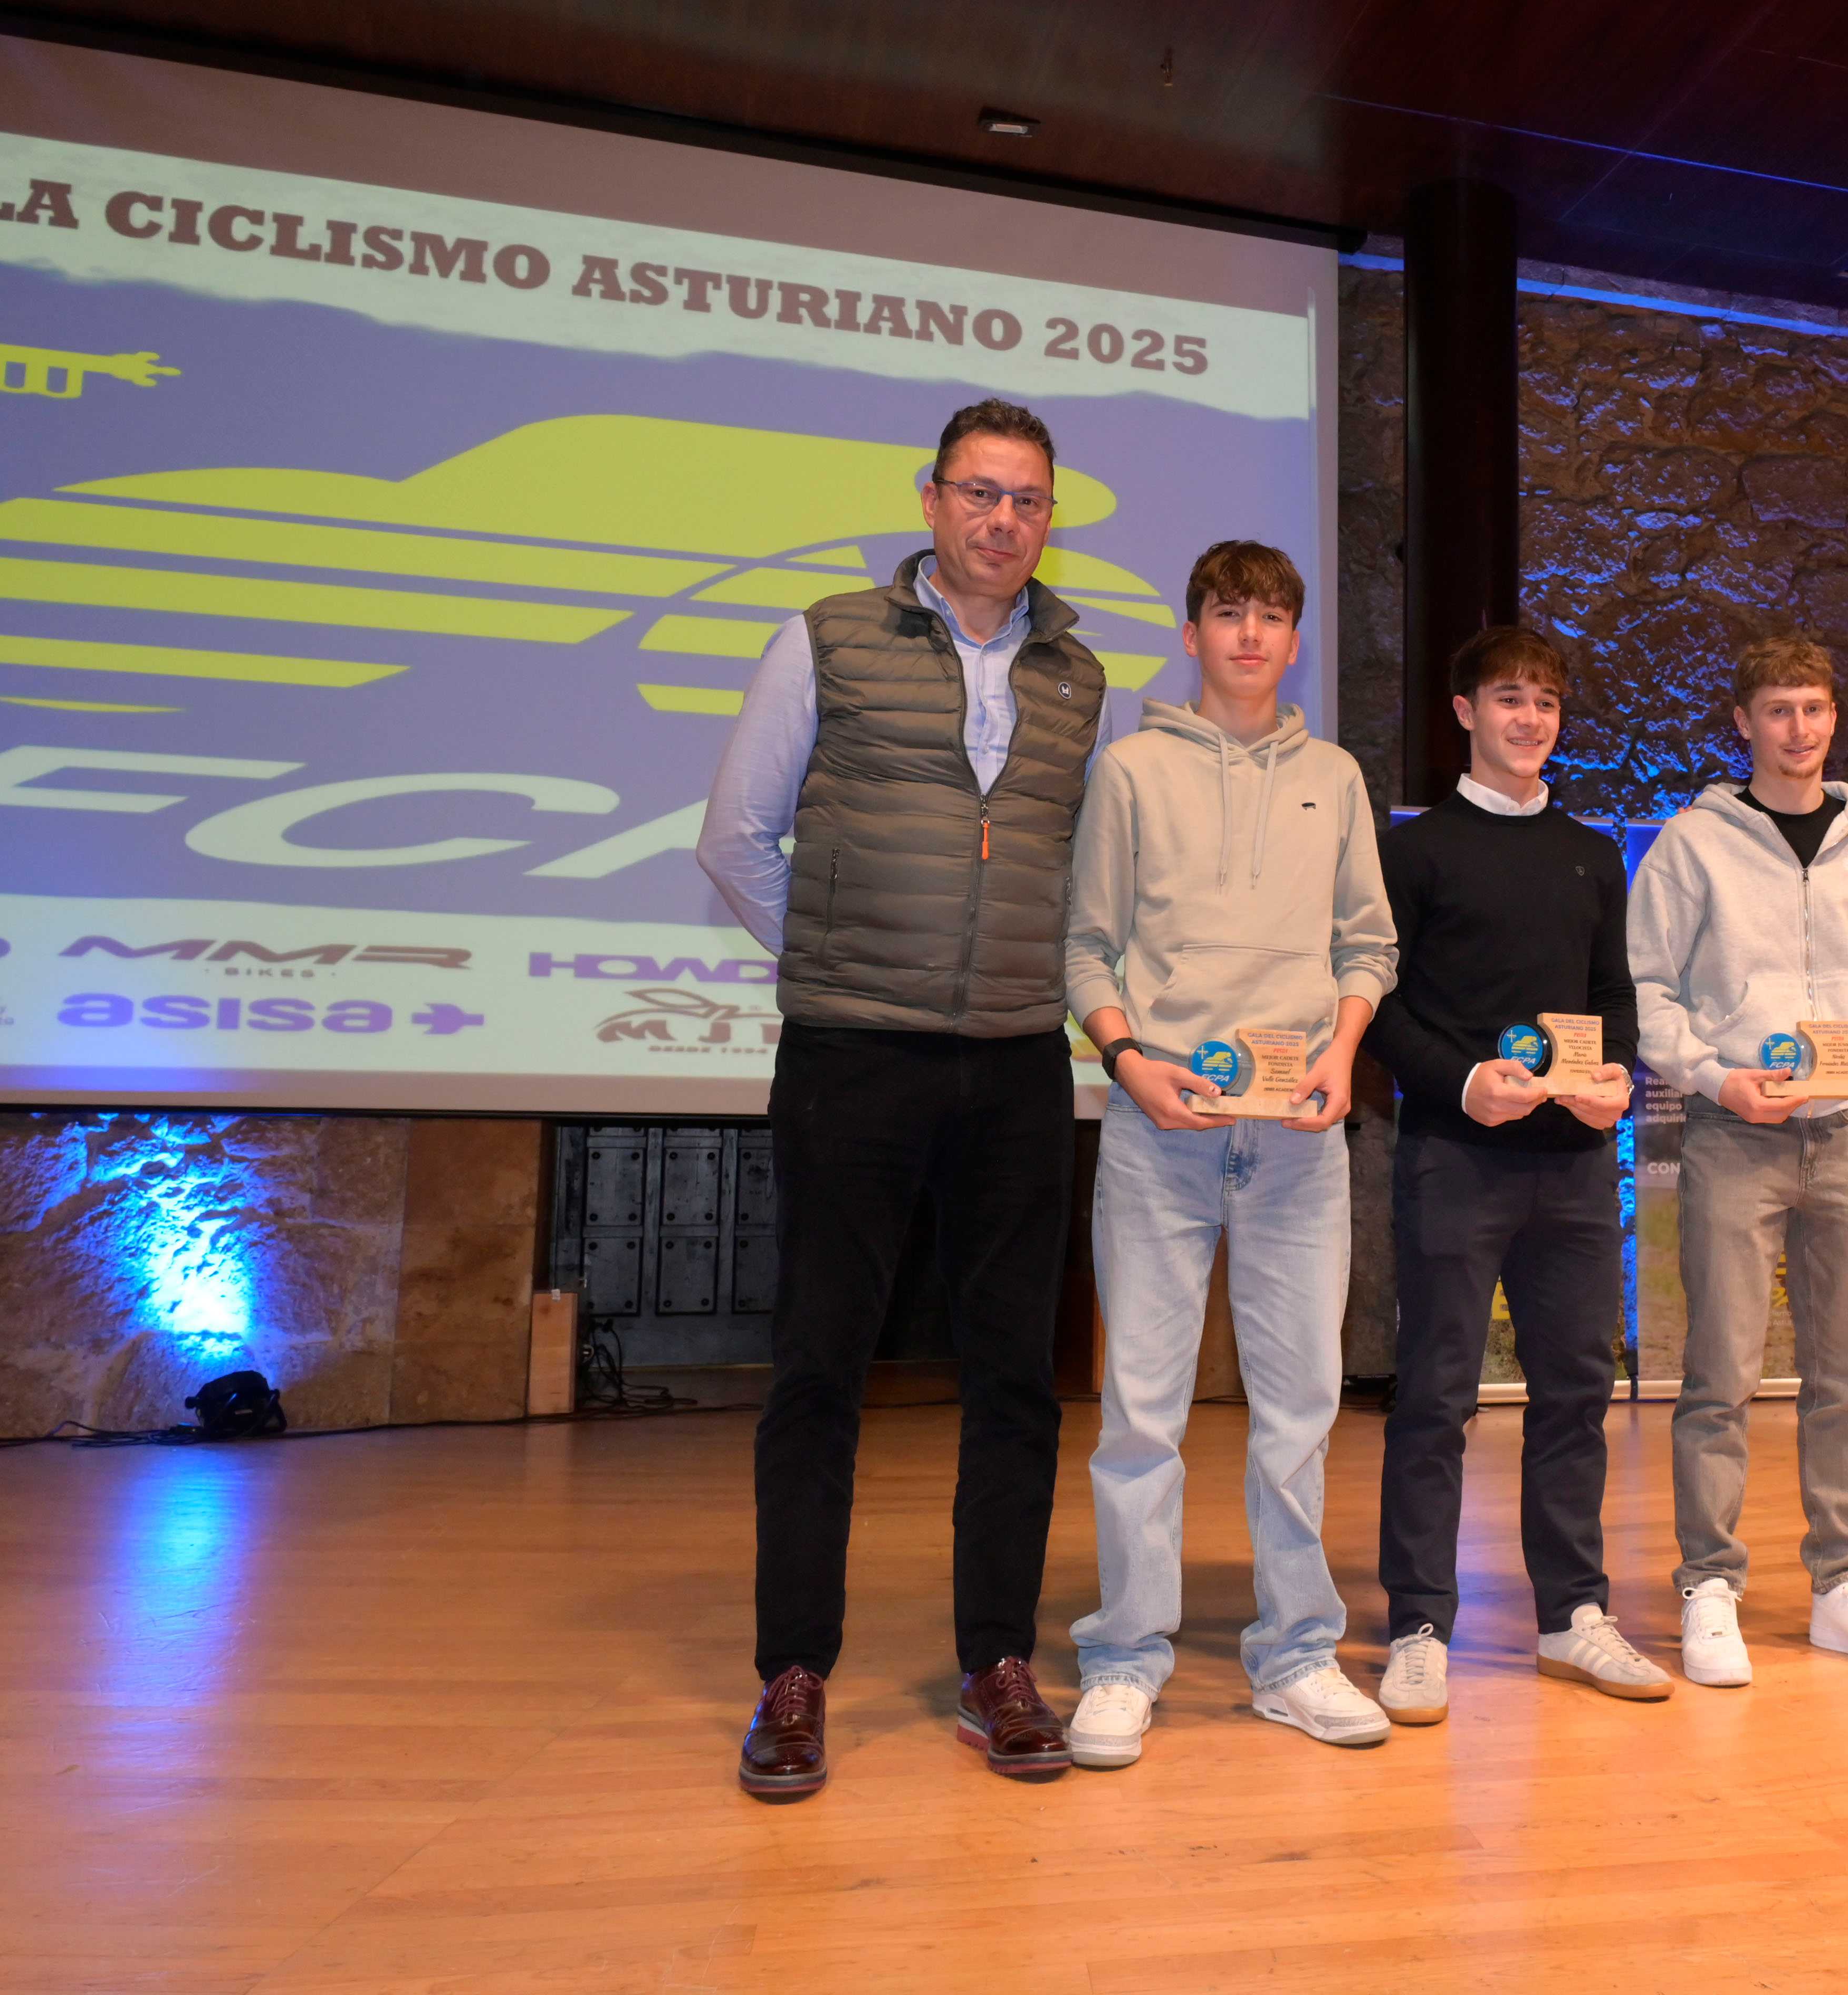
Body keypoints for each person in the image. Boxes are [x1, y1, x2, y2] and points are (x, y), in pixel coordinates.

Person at [697, 399, 1104, 1796]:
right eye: (979, 494)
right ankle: (794, 1675)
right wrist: (835, 968)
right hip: (850, 1058)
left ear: (1049, 522)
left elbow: (1078, 877)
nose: (1002, 521)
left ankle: (998, 1666)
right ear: (930, 503)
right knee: (820, 1371)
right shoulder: (826, 639)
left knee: (1015, 1381)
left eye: (1028, 502)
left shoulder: (1079, 676)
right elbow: (736, 839)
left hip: (1014, 1064)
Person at [1061, 539, 1400, 1767]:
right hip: (1158, 1137)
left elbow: (1368, 946)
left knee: (1299, 1408)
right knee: (1140, 1409)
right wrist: (1124, 1059)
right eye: (1225, 613)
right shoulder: (1131, 770)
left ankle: (1297, 1654)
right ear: (1192, 631)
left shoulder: (1337, 778)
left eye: (1269, 616)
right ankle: (1122, 1657)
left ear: (1293, 638)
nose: (1248, 634)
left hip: (1299, 1141)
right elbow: (1085, 947)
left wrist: (1343, 1048)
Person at [1366, 624, 1668, 1724]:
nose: (1528, 718)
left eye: (1545, 701)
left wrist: (1618, 1080)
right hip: (1456, 1157)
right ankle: (1417, 1624)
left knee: (1578, 1394)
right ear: (1464, 712)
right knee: (1437, 1397)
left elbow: (1615, 995)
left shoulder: (1592, 852)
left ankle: (1572, 1614)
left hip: (1577, 1167)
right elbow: (1379, 1008)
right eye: (1508, 698)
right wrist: (1458, 1085)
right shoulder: (1417, 849)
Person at [1625, 634, 1848, 1688]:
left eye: (1813, 708)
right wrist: (1718, 1078)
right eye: (1777, 710)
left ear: (1833, 719)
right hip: (1733, 1134)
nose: (1796, 728)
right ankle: (1710, 1582)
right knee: (1719, 1373)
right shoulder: (1691, 844)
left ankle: (1844, 1582)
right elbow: (1651, 991)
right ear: (1744, 723)